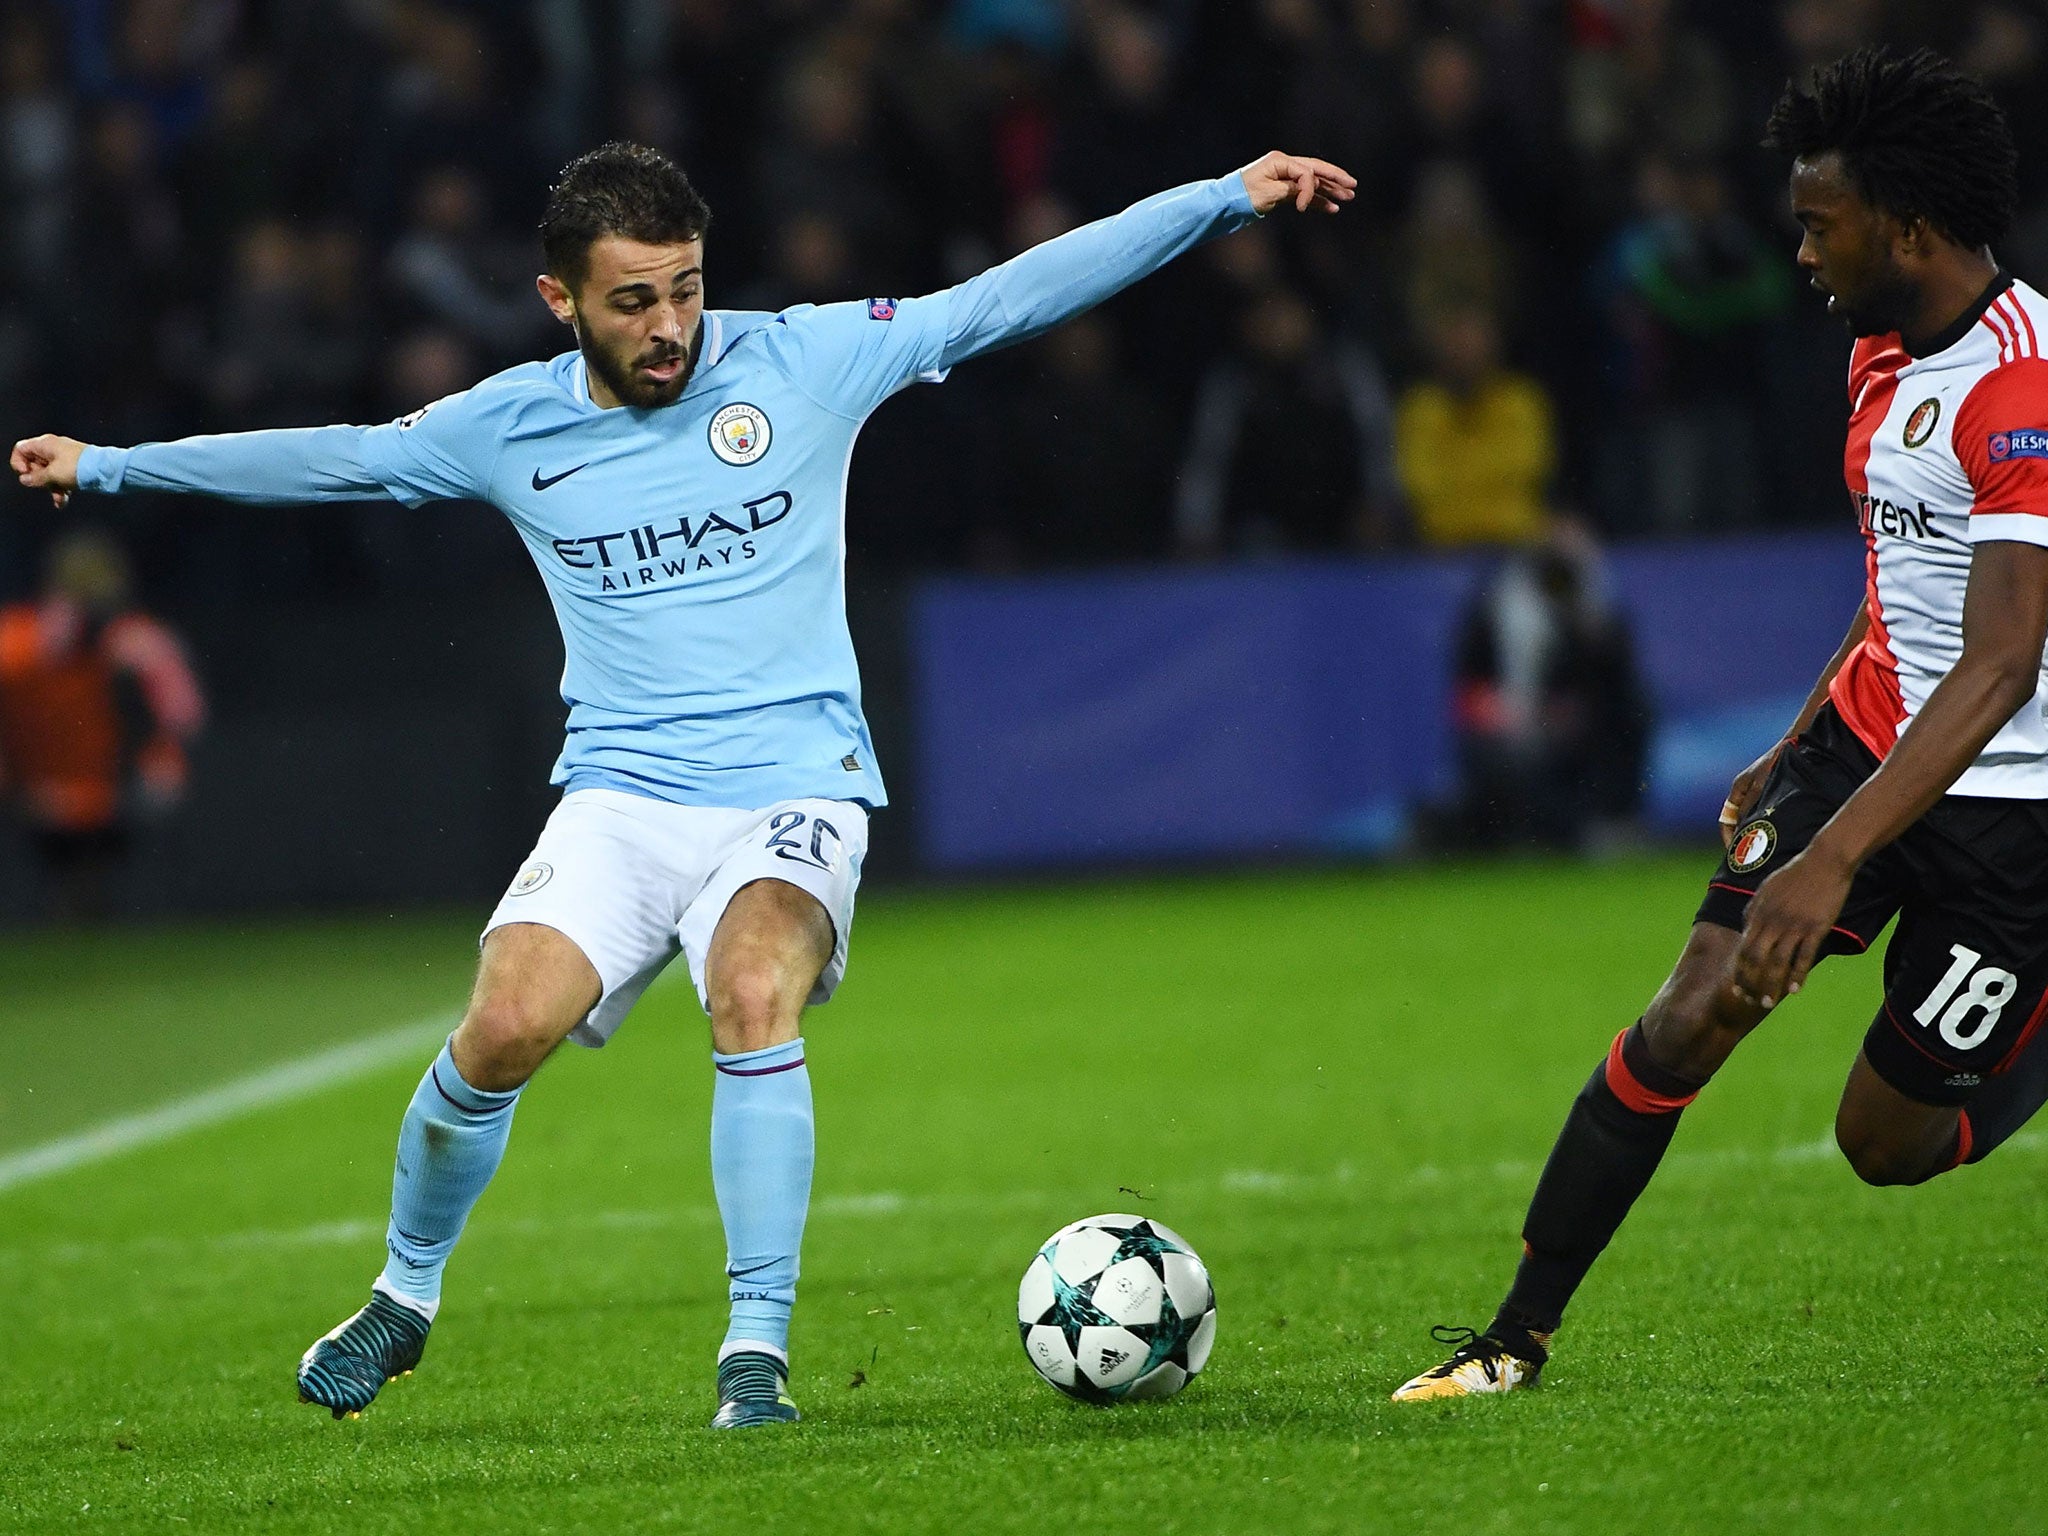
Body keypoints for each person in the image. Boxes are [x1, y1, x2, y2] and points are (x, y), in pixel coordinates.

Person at [12, 141, 1355, 1428]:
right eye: (635, 301)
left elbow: (1009, 295)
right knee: (501, 1029)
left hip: (795, 781)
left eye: (689, 287)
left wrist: (1222, 199)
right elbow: (341, 456)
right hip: (623, 793)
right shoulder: (509, 426)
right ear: (562, 301)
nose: (672, 326)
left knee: (752, 989)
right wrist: (116, 465)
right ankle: (403, 1297)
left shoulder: (809, 358)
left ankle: (755, 1357)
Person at [1391, 47, 2048, 1401]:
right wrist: (1805, 731)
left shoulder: (2022, 388)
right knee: (1692, 1012)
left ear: (1909, 230)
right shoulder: (1877, 354)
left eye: (1820, 224)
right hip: (1869, 739)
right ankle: (1511, 1341)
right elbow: (1900, 601)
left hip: (2017, 805)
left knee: (1885, 1142)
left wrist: (1832, 859)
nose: (1798, 249)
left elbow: (1995, 667)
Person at [0, 527, 204, 920]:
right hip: (37, 787)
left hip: (114, 788)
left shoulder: (136, 644)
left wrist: (158, 761)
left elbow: (182, 715)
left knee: (100, 883)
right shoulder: (18, 641)